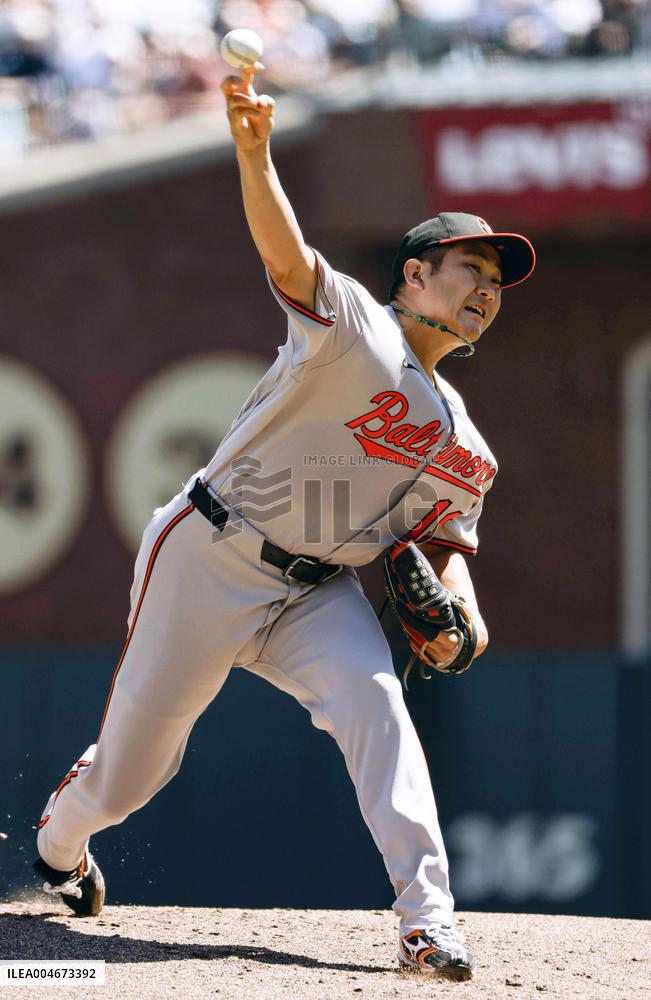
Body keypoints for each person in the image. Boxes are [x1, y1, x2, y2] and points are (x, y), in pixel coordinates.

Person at [33, 67, 535, 981]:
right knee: (134, 776)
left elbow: (446, 560)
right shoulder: (352, 326)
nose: (487, 290)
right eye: (473, 268)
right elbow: (286, 255)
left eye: (498, 282)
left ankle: (426, 923)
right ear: (415, 274)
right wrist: (255, 153)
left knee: (378, 709)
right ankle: (59, 847)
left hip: (315, 592)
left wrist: (462, 633)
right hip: (208, 553)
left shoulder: (467, 441)